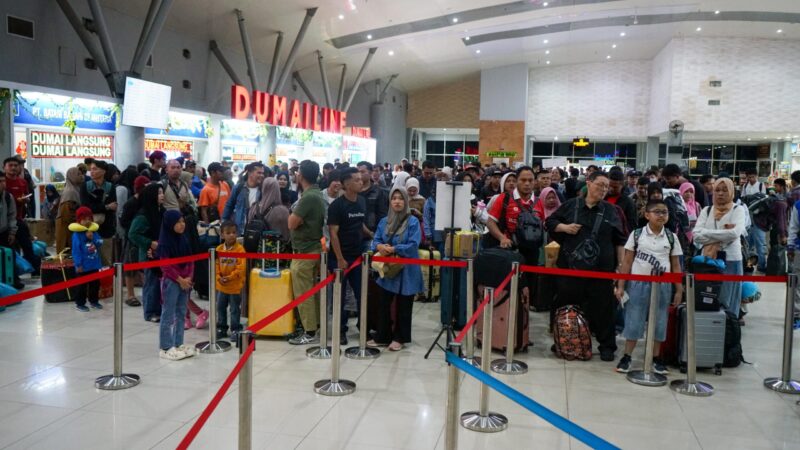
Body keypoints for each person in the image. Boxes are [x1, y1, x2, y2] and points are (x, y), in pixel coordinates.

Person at [547, 171, 626, 361]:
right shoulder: (570, 205)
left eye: (606, 186)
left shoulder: (611, 211)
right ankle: (563, 339)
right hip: (571, 268)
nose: (604, 189)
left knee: (604, 310)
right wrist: (565, 228)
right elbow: (549, 223)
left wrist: (621, 267)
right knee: (565, 305)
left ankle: (607, 346)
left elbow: (620, 240)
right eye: (600, 184)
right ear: (588, 183)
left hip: (601, 271)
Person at [615, 199, 683, 374]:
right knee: (633, 319)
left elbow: (675, 265)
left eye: (664, 212)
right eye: (657, 211)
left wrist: (679, 288)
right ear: (647, 215)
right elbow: (627, 261)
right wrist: (621, 285)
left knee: (660, 321)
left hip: (662, 286)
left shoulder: (671, 237)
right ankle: (627, 356)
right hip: (638, 284)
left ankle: (655, 358)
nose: (661, 215)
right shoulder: (637, 235)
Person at [367, 187, 423, 351]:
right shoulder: (384, 221)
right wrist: (379, 245)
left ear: (406, 201)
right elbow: (375, 239)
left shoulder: (412, 222)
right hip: (388, 269)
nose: (397, 201)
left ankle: (400, 337)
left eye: (400, 198)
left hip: (407, 270)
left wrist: (394, 249)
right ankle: (383, 336)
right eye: (394, 198)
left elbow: (413, 245)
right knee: (384, 303)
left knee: (404, 305)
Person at [327, 168, 370, 344]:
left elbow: (360, 225)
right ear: (346, 184)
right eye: (357, 180)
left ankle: (363, 327)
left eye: (361, 179)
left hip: (358, 257)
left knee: (362, 293)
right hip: (340, 258)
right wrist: (339, 258)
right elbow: (333, 233)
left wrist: (373, 235)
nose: (361, 182)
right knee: (340, 295)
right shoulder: (337, 206)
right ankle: (340, 330)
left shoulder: (361, 201)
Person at [693, 178, 747, 317]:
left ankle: (730, 327)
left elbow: (735, 233)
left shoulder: (738, 209)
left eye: (725, 190)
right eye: (717, 190)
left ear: (731, 192)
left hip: (731, 259)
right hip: (709, 259)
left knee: (730, 297)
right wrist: (724, 234)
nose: (720, 193)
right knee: (709, 294)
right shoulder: (707, 210)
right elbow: (696, 236)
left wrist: (706, 233)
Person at [486, 166, 541, 303]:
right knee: (507, 290)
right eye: (523, 180)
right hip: (509, 250)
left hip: (532, 253)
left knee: (527, 291)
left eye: (530, 180)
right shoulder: (504, 198)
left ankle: (524, 316)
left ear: (535, 182)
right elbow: (490, 222)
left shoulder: (539, 202)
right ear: (517, 181)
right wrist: (502, 238)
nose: (527, 183)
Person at [287, 160, 326, 344]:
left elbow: (291, 223)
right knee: (310, 292)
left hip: (305, 251)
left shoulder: (309, 197)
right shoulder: (316, 194)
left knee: (304, 293)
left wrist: (295, 216)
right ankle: (314, 326)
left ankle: (309, 331)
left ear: (301, 175)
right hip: (313, 248)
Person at [157, 210, 196, 361]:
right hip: (171, 282)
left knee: (181, 313)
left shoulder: (184, 239)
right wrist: (180, 279)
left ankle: (178, 343)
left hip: (185, 281)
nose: (182, 225)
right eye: (178, 222)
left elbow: (191, 260)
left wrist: (189, 278)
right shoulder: (165, 243)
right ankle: (165, 347)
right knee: (168, 314)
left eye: (183, 221)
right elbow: (165, 266)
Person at [128, 183, 165, 322]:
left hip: (161, 254)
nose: (162, 195)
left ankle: (159, 309)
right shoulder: (143, 215)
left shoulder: (161, 211)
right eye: (159, 193)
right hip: (148, 255)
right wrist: (149, 243)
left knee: (159, 283)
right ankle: (150, 312)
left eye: (162, 192)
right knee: (151, 283)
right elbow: (133, 234)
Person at [119, 176, 150, 307]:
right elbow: (123, 221)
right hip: (132, 239)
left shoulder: (146, 202)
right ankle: (130, 294)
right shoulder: (131, 203)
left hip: (143, 238)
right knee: (130, 266)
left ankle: (146, 291)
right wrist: (135, 226)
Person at [80, 160, 117, 266]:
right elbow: (86, 207)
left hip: (107, 228)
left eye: (95, 169)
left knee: (106, 259)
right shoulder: (85, 186)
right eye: (91, 169)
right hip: (89, 227)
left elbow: (114, 206)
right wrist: (106, 207)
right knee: (90, 258)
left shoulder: (111, 187)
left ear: (103, 171)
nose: (92, 172)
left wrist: (102, 207)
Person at [215, 221, 246, 340]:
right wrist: (219, 277)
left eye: (234, 232)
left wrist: (230, 277)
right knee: (220, 307)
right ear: (222, 235)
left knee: (234, 309)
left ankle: (235, 329)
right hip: (221, 286)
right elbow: (216, 265)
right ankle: (221, 328)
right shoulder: (218, 249)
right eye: (228, 233)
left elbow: (241, 268)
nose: (232, 235)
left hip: (234, 286)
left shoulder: (240, 250)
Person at [69, 207, 103, 312]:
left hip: (94, 264)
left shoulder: (94, 232)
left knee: (95, 284)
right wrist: (78, 264)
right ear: (79, 220)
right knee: (81, 286)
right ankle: (80, 303)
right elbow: (76, 250)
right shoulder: (76, 235)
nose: (87, 221)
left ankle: (94, 301)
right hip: (83, 266)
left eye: (89, 218)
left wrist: (93, 238)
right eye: (85, 219)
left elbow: (100, 243)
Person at [223, 162, 265, 234]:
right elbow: (229, 206)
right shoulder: (238, 188)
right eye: (259, 173)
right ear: (250, 173)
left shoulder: (263, 190)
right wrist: (224, 223)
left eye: (262, 173)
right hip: (240, 230)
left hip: (257, 232)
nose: (262, 175)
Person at [0, 170, 24, 289]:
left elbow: (12, 216)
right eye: (0, 181)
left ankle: (12, 279)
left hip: (4, 232)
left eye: (3, 181)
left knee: (10, 256)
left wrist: (12, 232)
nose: (2, 184)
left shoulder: (8, 197)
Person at [248, 177, 291, 243]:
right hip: (276, 249)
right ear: (277, 190)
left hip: (257, 248)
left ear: (263, 188)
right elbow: (287, 236)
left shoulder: (254, 207)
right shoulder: (283, 211)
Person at [55, 167, 84, 253]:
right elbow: (67, 215)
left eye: (81, 174)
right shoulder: (70, 192)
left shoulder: (75, 189)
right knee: (67, 252)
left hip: (70, 226)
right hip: (66, 228)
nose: (81, 176)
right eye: (78, 174)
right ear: (72, 176)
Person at [357, 161, 388, 239]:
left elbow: (382, 214)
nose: (359, 174)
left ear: (370, 173)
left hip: (372, 233)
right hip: (354, 234)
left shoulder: (378, 192)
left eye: (362, 172)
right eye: (357, 172)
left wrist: (378, 234)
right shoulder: (354, 191)